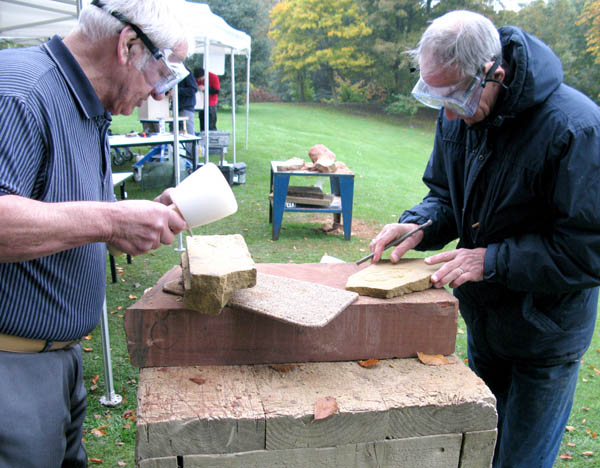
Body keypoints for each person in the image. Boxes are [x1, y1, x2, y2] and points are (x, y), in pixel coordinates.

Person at [369, 10, 600, 468]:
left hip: (545, 336)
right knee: (476, 453)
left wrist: (493, 261)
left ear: (495, 72)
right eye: (437, 97)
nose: (448, 111)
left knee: (520, 462)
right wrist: (419, 224)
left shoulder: (577, 129)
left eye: (454, 96)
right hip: (485, 322)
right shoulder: (456, 114)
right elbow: (446, 197)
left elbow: (590, 249)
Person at [0, 0, 191, 466]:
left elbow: (56, 210)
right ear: (128, 45)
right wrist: (110, 221)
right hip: (12, 368)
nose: (162, 95)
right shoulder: (19, 91)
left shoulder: (87, 105)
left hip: (58, 360)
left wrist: (129, 218)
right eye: (162, 75)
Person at [194, 66, 220, 131]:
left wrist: (205, 88)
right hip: (201, 104)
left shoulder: (213, 77)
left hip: (211, 103)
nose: (199, 81)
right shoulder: (196, 79)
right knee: (202, 123)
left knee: (211, 124)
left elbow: (216, 91)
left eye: (200, 79)